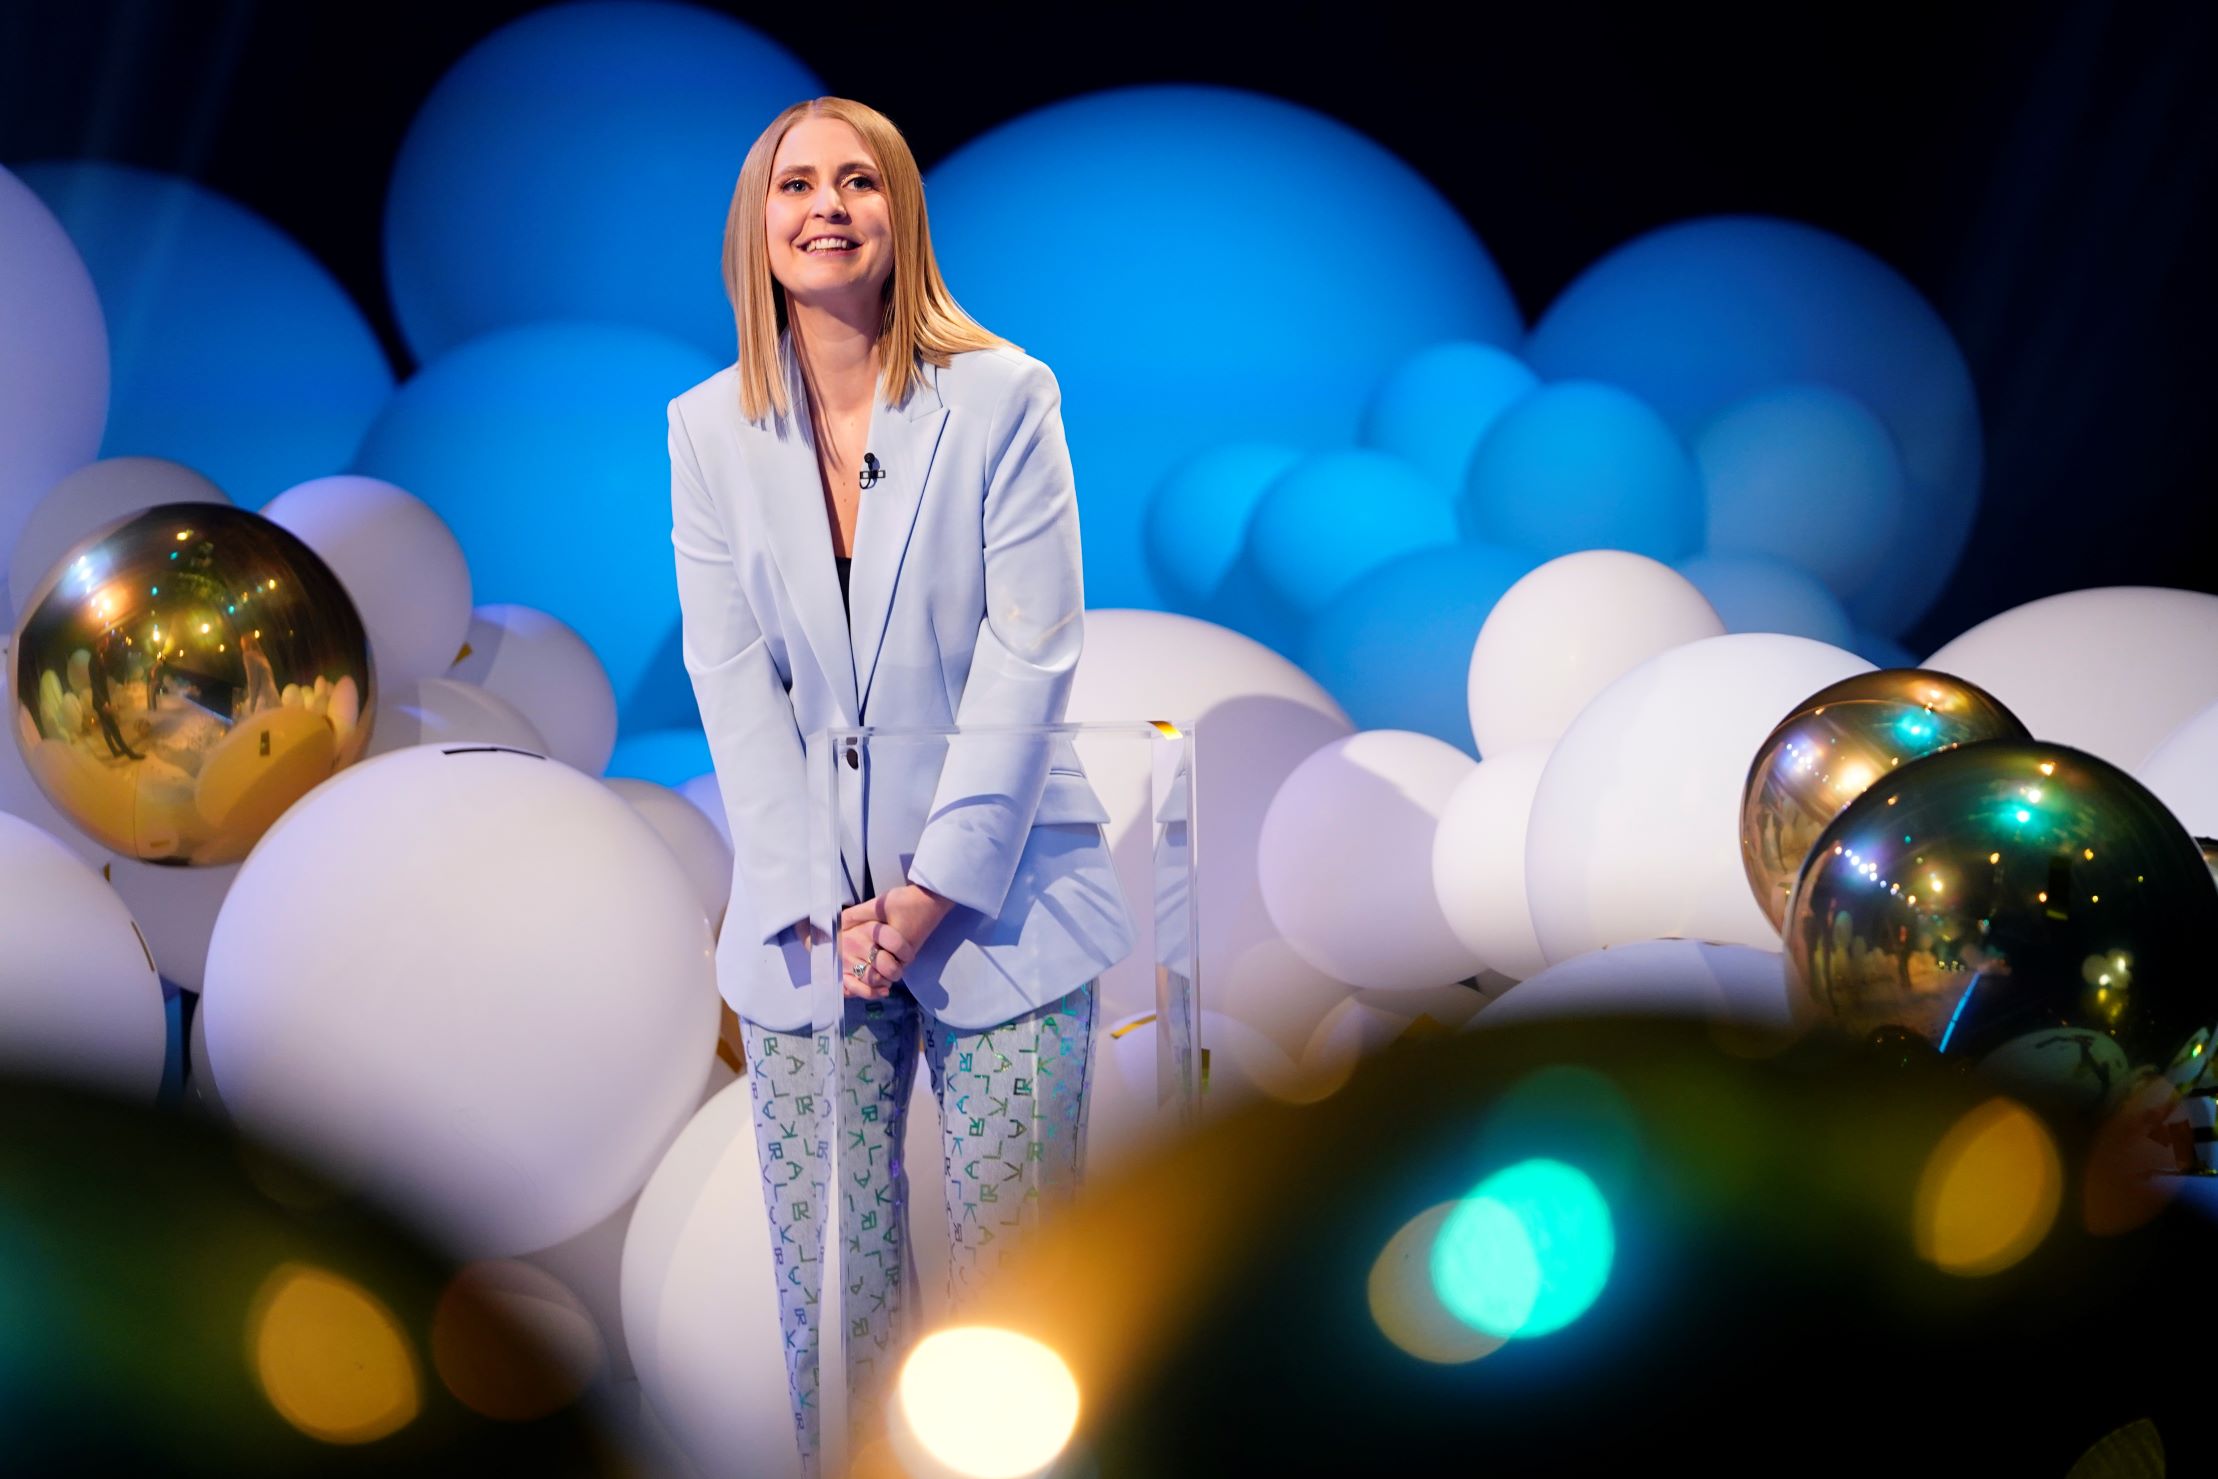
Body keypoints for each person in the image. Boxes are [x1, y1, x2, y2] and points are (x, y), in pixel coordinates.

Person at [667, 97, 1136, 1474]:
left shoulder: (1003, 397)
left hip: (1003, 902)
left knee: (1018, 1298)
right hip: (808, 927)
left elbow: (1031, 647)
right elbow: (729, 674)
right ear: (757, 226)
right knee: (833, 1303)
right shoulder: (705, 429)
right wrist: (827, 899)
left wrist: (931, 889)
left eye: (857, 181)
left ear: (900, 212)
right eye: (795, 184)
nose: (827, 206)